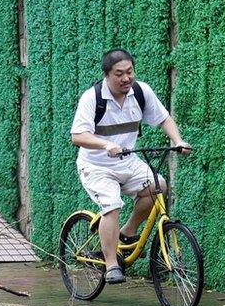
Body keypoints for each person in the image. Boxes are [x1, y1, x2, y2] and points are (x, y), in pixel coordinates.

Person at [69, 48, 190, 284]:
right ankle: (112, 265)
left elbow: (164, 118)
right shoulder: (92, 98)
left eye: (129, 72)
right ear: (107, 75)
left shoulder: (141, 92)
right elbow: (77, 136)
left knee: (159, 186)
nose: (126, 78)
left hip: (128, 161)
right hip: (96, 166)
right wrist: (105, 144)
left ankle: (127, 231)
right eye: (119, 74)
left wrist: (178, 141)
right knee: (111, 205)